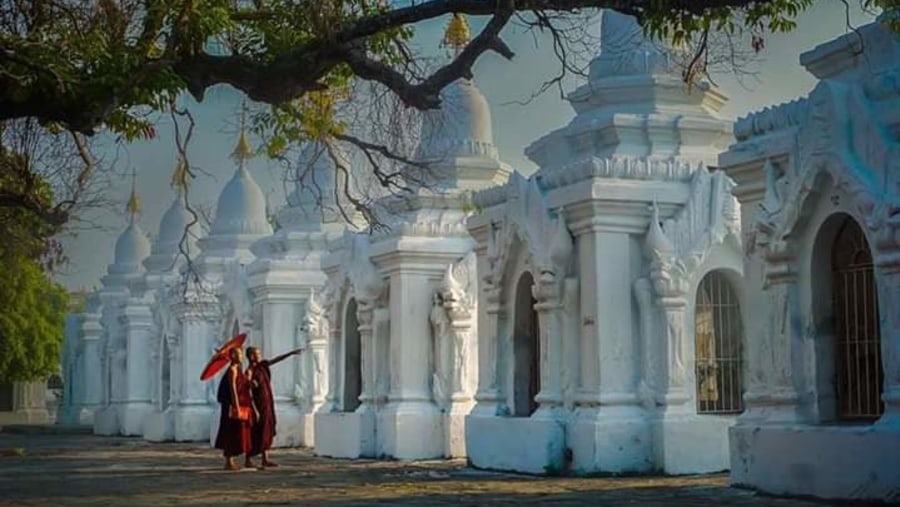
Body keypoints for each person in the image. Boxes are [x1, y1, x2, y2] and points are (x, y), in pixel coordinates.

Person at [245, 346, 304, 468]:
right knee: (258, 430)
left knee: (267, 429)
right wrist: (251, 383)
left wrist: (290, 353)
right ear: (251, 356)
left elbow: (277, 360)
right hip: (259, 404)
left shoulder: (262, 366)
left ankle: (265, 459)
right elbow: (248, 388)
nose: (259, 355)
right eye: (257, 353)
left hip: (267, 401)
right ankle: (248, 458)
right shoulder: (250, 371)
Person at [214, 347, 252, 470]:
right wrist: (236, 405)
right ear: (232, 356)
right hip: (231, 405)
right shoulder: (232, 370)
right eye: (237, 354)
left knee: (237, 431)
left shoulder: (239, 369)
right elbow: (233, 389)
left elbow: (245, 384)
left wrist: (249, 378)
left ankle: (234, 460)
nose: (240, 356)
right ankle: (228, 461)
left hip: (241, 404)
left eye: (240, 354)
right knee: (229, 431)